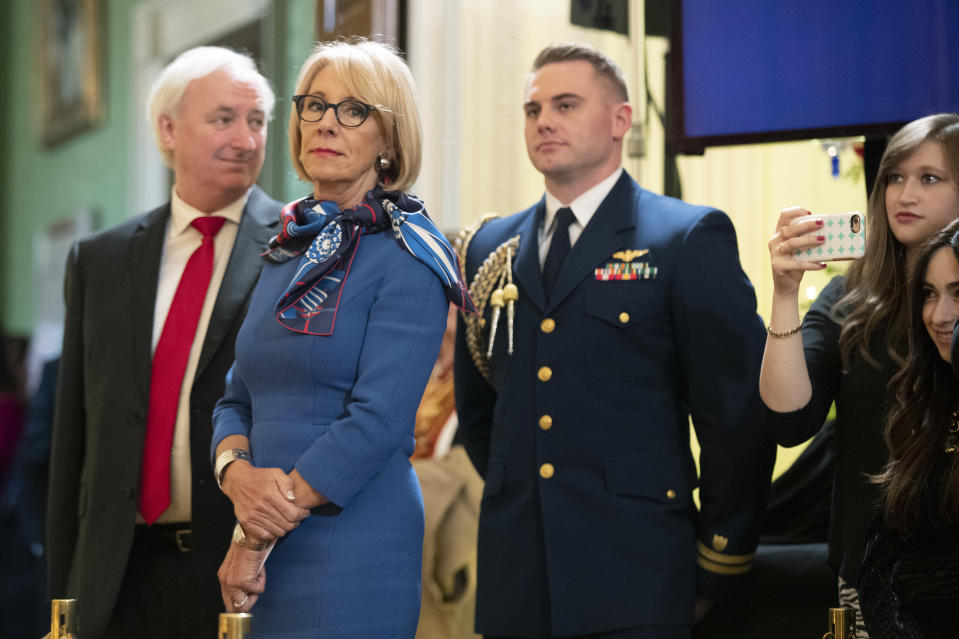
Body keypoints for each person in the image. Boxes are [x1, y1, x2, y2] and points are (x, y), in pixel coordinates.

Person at [454, 42, 774, 638]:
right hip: (518, 580)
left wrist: (718, 562)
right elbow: (481, 417)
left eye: (566, 104)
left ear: (620, 120)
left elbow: (735, 418)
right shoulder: (487, 249)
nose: (544, 120)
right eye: (532, 109)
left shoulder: (683, 237)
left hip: (637, 576)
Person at [211, 39, 475, 638]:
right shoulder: (287, 249)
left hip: (353, 542)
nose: (325, 122)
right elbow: (235, 399)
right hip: (262, 532)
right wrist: (236, 474)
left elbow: (378, 422)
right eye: (313, 105)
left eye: (354, 110)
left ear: (390, 140)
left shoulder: (412, 253)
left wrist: (256, 533)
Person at [46, 46, 283, 639]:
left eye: (256, 121)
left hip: (237, 574)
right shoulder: (101, 260)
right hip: (114, 577)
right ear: (168, 128)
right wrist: (62, 599)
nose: (246, 139)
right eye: (223, 118)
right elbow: (73, 439)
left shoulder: (297, 248)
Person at [760, 112, 959, 637]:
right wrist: (783, 296)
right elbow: (789, 420)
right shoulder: (853, 296)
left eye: (929, 178)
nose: (903, 193)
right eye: (894, 177)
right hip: (871, 576)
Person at [858, 220, 959, 637]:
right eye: (929, 295)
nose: (940, 315)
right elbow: (878, 565)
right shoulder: (926, 405)